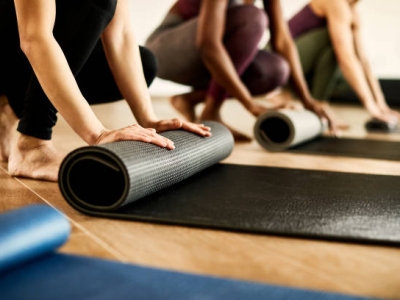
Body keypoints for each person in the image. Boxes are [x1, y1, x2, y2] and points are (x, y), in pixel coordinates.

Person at [0, 0, 211, 182]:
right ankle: (32, 145)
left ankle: (12, 104)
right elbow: (34, 38)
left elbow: (120, 35)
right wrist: (98, 134)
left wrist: (149, 120)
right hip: (17, 42)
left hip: (20, 55)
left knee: (145, 64)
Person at [145, 0, 346, 141]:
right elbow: (208, 44)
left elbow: (283, 42)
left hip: (204, 53)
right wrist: (249, 104)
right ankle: (211, 112)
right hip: (166, 51)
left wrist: (307, 100)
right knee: (253, 17)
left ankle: (190, 100)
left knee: (274, 70)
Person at [288, 0, 399, 125]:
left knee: (350, 79)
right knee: (337, 46)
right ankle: (318, 104)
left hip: (302, 69)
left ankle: (315, 104)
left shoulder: (352, 13)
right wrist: (371, 107)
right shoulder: (335, 3)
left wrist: (382, 106)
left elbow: (363, 60)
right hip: (280, 64)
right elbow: (345, 57)